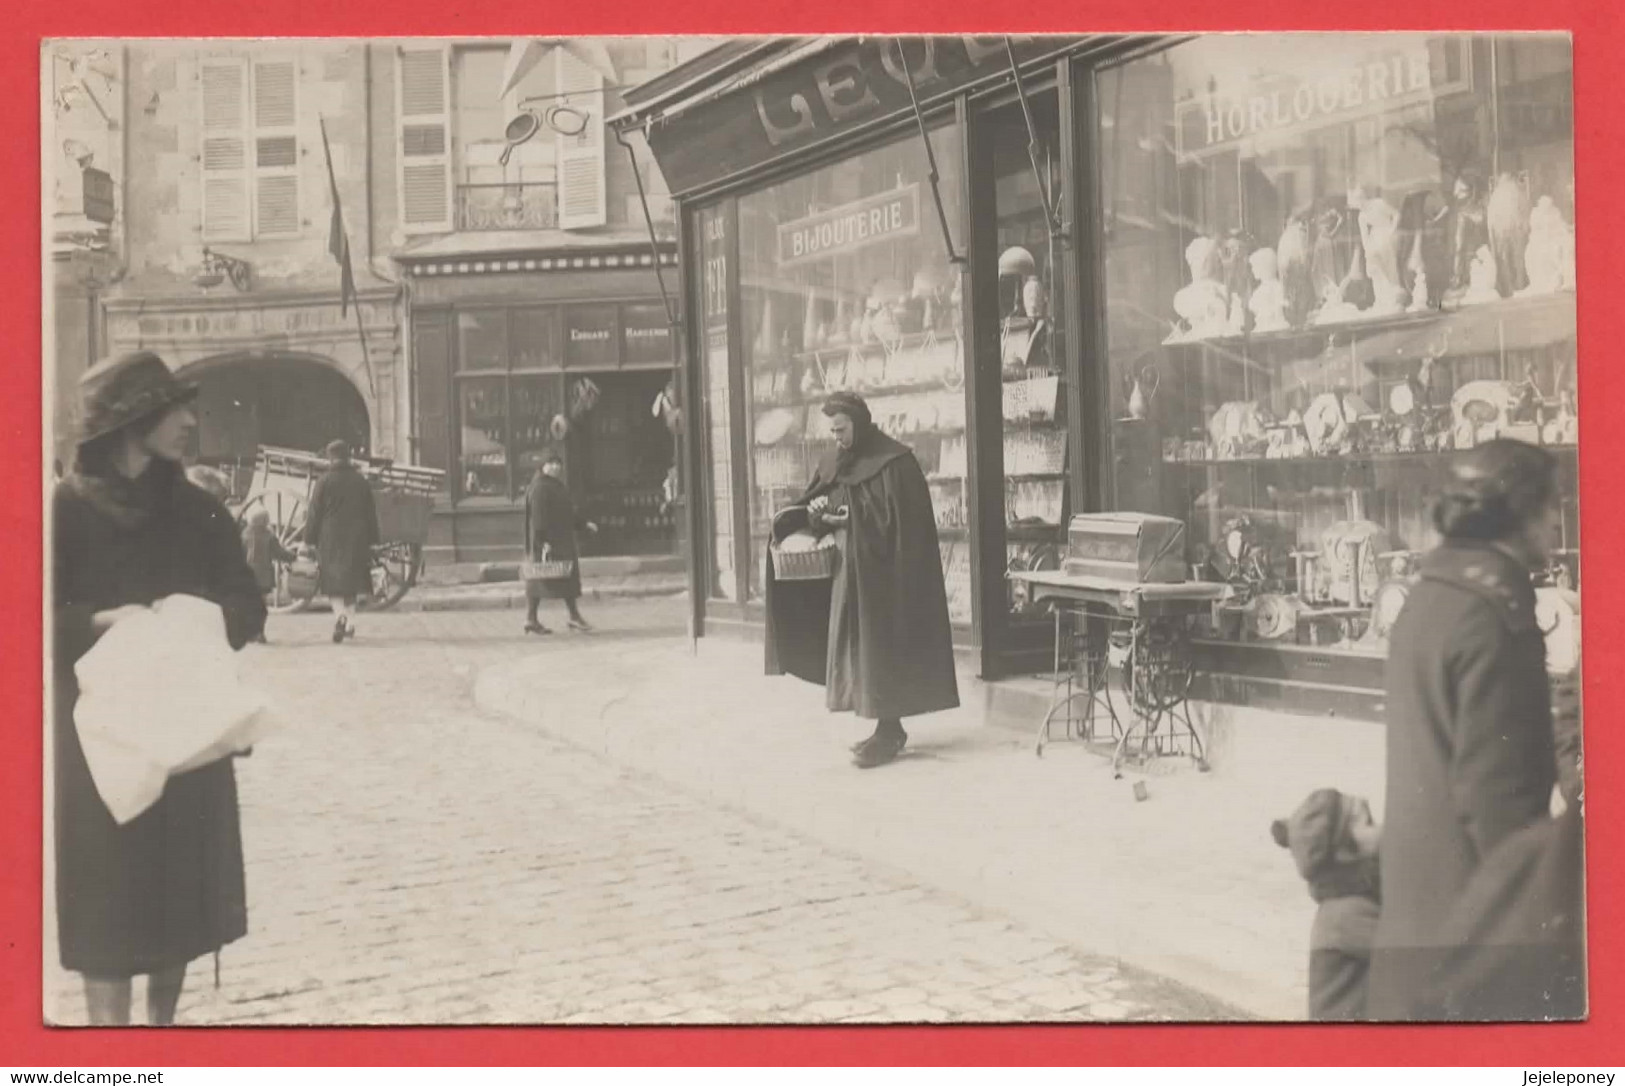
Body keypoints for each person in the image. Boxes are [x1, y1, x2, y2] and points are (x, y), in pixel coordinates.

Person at [52, 350, 266, 1025]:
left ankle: (161, 1036)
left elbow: (245, 605)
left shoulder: (200, 511)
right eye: (174, 409)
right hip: (99, 740)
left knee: (177, 902)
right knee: (106, 902)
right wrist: (95, 622)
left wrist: (193, 622)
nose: (189, 421)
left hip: (183, 733)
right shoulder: (65, 511)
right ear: (130, 421)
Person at [1367, 438, 1563, 1019]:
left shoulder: (1430, 598)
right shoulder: (1496, 614)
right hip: (1474, 954)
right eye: (1551, 505)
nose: (1557, 521)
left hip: (1415, 931)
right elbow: (1503, 811)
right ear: (1517, 511)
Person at [764, 391, 959, 769]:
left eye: (842, 430)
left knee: (880, 649)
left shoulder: (895, 462)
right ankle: (885, 727)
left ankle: (889, 731)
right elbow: (821, 502)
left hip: (885, 576)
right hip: (845, 572)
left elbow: (900, 522)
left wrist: (848, 517)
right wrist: (819, 514)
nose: (837, 438)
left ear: (860, 423)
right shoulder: (836, 460)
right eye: (833, 431)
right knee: (858, 652)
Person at [1270, 788, 1383, 1020]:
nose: (1381, 829)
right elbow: (1418, 961)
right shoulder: (1348, 913)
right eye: (1368, 823)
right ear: (1346, 853)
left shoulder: (1348, 902)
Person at [304, 439, 379, 644]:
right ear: (348, 457)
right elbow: (370, 512)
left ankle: (340, 617)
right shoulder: (360, 480)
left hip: (330, 537)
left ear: (330, 458)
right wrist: (373, 539)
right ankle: (351, 623)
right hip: (357, 537)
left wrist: (308, 539)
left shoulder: (324, 481)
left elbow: (314, 513)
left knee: (333, 581)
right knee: (353, 581)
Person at [522, 453, 597, 635]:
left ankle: (534, 619)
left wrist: (583, 524)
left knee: (548, 578)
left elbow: (566, 512)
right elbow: (539, 519)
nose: (555, 467)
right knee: (547, 578)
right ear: (542, 466)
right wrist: (544, 541)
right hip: (550, 542)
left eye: (558, 463)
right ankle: (571, 616)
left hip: (559, 540)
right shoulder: (540, 488)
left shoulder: (554, 486)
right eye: (551, 463)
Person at [240, 507, 294, 642]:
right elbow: (279, 554)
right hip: (263, 577)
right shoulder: (269, 536)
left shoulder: (244, 534)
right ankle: (259, 632)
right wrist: (293, 557)